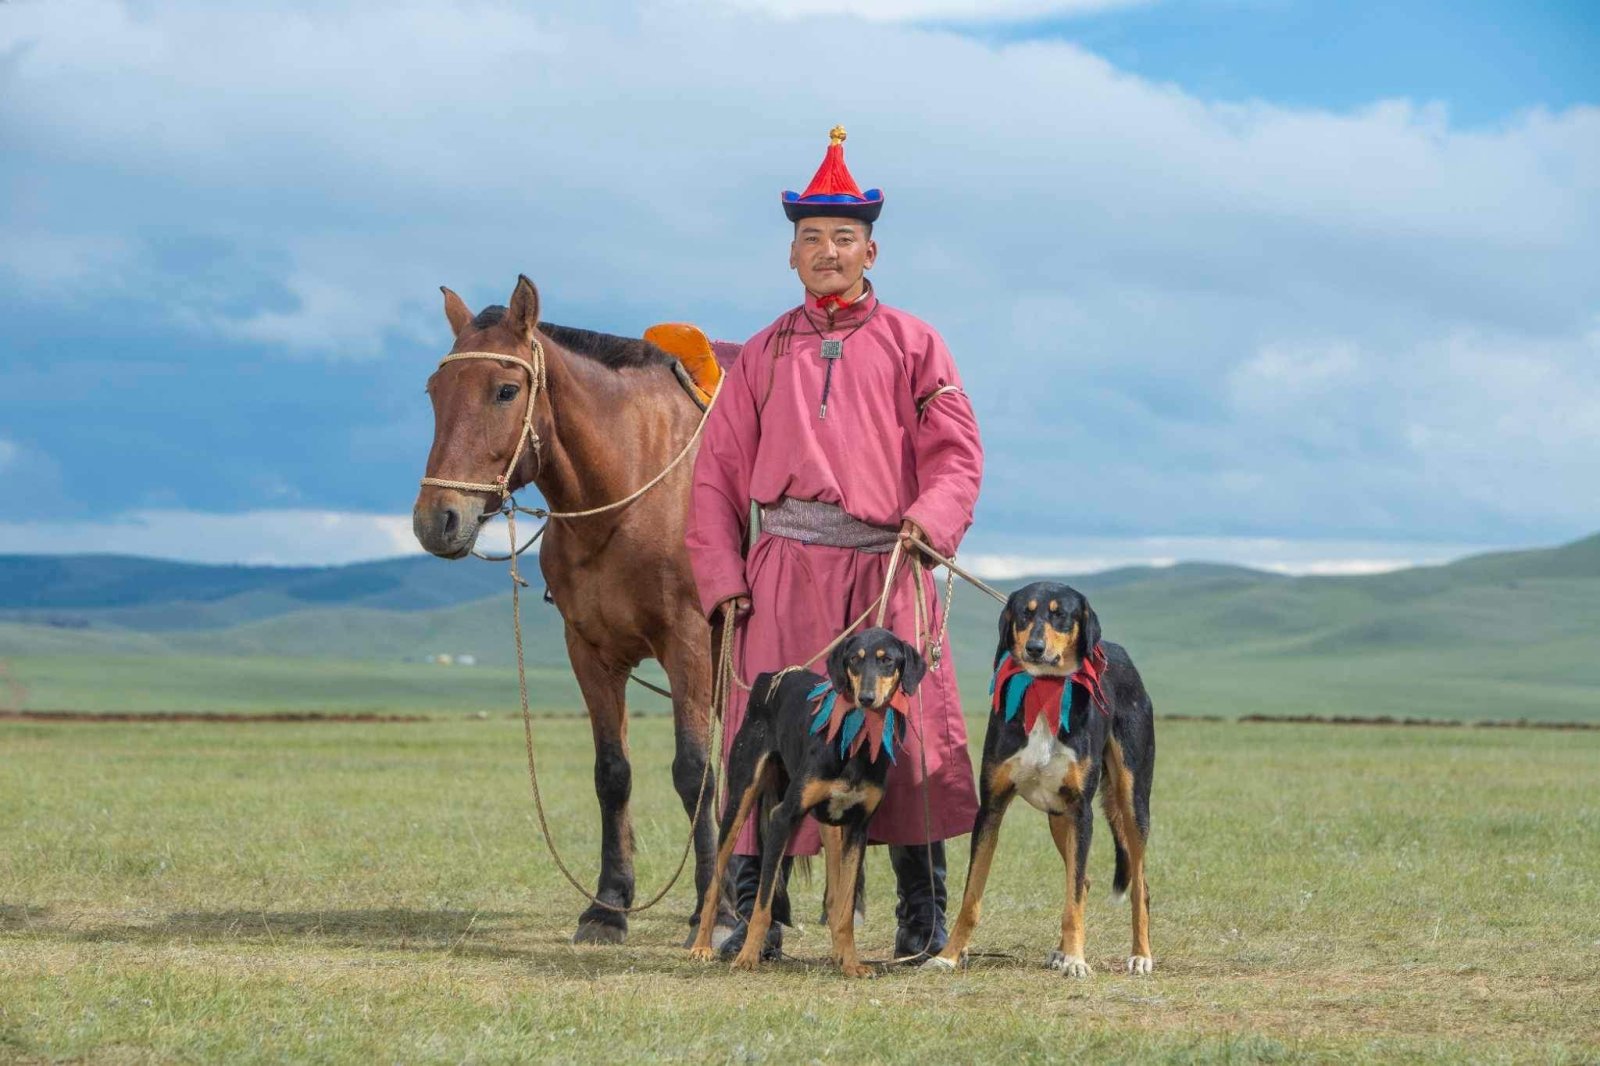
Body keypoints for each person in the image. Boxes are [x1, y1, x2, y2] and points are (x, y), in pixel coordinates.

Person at [686, 126, 983, 962]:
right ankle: (756, 916)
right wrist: (721, 573)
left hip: (886, 569)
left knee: (910, 736)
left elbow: (958, 452)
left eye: (842, 239)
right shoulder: (761, 356)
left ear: (871, 249)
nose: (827, 253)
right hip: (780, 572)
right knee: (766, 742)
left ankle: (920, 921)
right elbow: (715, 473)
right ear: (791, 256)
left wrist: (932, 519)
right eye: (810, 240)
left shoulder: (915, 343)